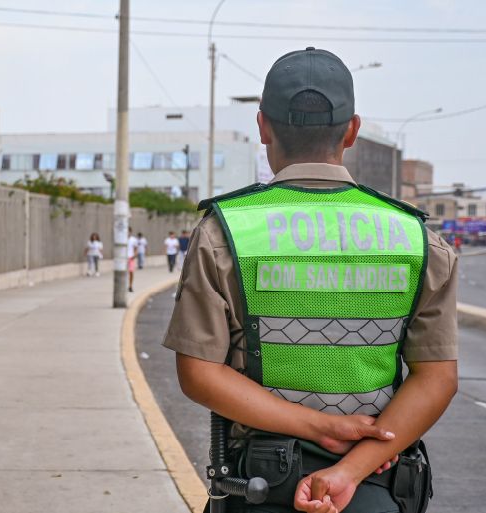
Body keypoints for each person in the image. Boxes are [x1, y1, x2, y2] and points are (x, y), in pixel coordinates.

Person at [165, 48, 458, 513]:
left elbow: (198, 372)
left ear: (262, 127)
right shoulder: (416, 238)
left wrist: (314, 425)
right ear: (352, 130)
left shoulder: (225, 231)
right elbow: (436, 378)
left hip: (258, 488)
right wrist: (349, 470)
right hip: (377, 488)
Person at [127, 228, 138, 292]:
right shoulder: (121, 238)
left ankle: (130, 286)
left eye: (128, 232)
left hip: (131, 257)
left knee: (131, 272)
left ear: (130, 232)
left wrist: (134, 255)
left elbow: (136, 248)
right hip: (123, 259)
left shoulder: (133, 240)